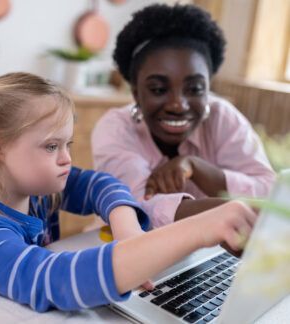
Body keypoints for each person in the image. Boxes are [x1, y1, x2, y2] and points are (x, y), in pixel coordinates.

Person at [0, 72, 257, 313]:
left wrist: (127, 229)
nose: (67, 159)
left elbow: (100, 185)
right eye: (51, 146)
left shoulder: (33, 184)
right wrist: (198, 229)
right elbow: (53, 279)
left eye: (68, 144)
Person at [92, 3, 275, 228]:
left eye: (195, 89)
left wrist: (198, 168)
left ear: (208, 88)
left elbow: (269, 190)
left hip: (211, 252)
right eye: (159, 89)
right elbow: (136, 208)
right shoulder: (115, 129)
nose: (178, 105)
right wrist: (232, 213)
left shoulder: (222, 117)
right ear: (136, 92)